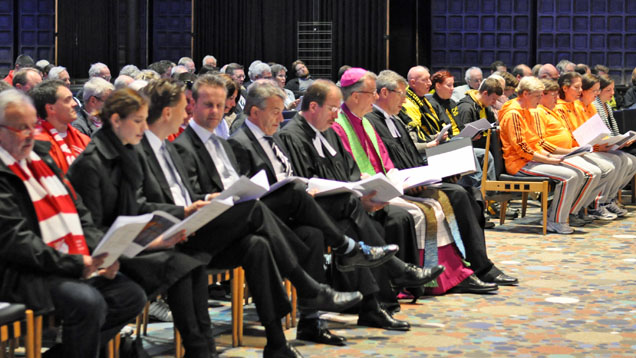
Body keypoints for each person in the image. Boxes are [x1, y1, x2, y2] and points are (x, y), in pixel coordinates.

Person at [0, 89, 146, 358]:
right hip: (20, 271)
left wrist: (98, 253)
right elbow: (16, 240)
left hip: (64, 260)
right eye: (22, 128)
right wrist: (77, 265)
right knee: (87, 303)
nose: (32, 134)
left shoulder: (41, 158)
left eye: (33, 126)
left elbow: (80, 214)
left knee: (130, 295)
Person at [366, 70, 518, 287]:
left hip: (417, 176)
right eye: (401, 94)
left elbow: (412, 156)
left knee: (471, 193)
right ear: (383, 93)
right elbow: (386, 162)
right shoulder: (372, 121)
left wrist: (444, 168)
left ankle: (474, 264)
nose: (404, 99)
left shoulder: (395, 120)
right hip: (406, 184)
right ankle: (471, 269)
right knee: (457, 194)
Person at [498, 76, 585, 234]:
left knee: (578, 172)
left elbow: (536, 142)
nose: (539, 100)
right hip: (519, 164)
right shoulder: (513, 114)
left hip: (532, 160)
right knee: (570, 176)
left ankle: (554, 216)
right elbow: (522, 149)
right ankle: (555, 221)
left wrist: (557, 156)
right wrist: (549, 160)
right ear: (525, 94)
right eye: (537, 96)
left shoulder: (528, 110)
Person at [554, 73, 625, 220]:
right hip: (574, 151)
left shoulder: (576, 106)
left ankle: (593, 204)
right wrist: (593, 147)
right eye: (577, 87)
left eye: (581, 87)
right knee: (603, 168)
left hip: (583, 148)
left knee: (622, 160)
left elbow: (590, 133)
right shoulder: (559, 108)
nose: (580, 91)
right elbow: (570, 137)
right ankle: (587, 207)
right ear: (565, 88)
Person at [30, 80, 90, 174]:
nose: (75, 104)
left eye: (73, 98)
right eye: (68, 100)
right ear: (51, 108)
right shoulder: (36, 145)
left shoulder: (83, 139)